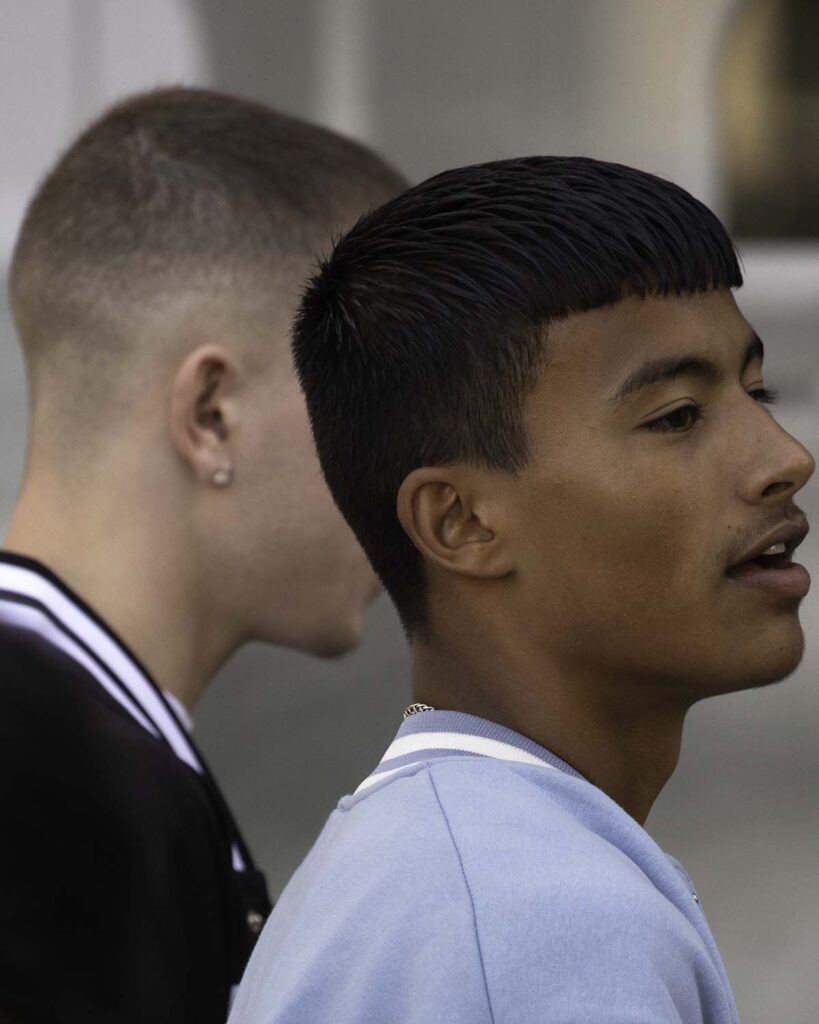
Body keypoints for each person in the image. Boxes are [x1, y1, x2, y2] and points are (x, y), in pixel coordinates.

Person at [229, 156, 814, 1024]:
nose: (783, 459)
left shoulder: (442, 870)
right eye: (677, 417)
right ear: (459, 522)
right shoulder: (527, 926)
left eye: (756, 391)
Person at [0, 87, 405, 1024]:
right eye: (377, 402)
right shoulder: (46, 777)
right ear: (211, 413)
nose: (413, 472)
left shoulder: (94, 752)